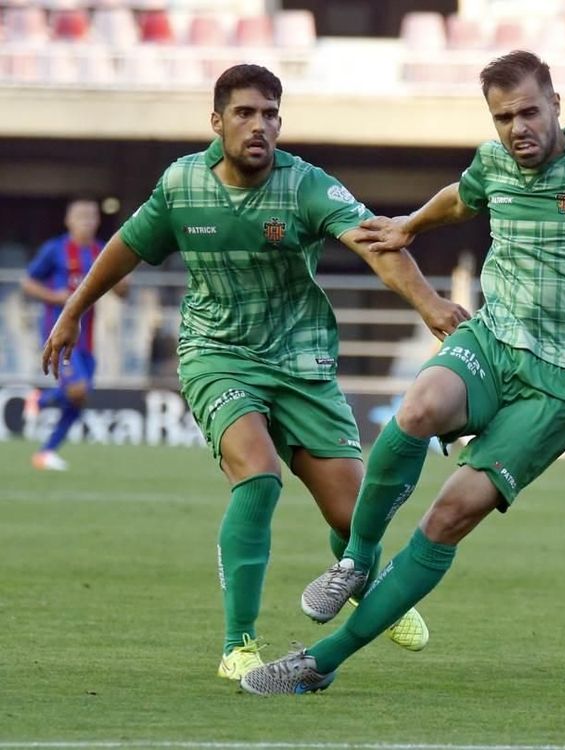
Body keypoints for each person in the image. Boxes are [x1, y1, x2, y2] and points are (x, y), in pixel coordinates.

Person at [239, 50, 565, 695]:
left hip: (561, 385)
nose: (518, 128)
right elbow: (464, 197)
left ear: (557, 107)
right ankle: (357, 559)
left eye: (530, 112)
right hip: (494, 339)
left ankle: (319, 663)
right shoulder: (492, 163)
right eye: (504, 116)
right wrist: (410, 225)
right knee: (417, 412)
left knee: (448, 517)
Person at [40, 64, 456, 683]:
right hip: (217, 353)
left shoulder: (307, 186)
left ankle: (362, 580)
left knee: (354, 515)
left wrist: (429, 305)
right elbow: (126, 246)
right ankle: (239, 645)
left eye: (270, 114)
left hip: (301, 362)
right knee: (257, 476)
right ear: (217, 121)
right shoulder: (182, 185)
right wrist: (73, 311)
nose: (259, 125)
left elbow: (377, 245)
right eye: (245, 113)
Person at [22, 198, 124, 471]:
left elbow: (123, 292)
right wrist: (53, 296)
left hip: (88, 339)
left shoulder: (102, 251)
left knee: (79, 399)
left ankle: (45, 452)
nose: (87, 221)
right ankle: (40, 400)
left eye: (92, 216)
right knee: (76, 390)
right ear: (69, 221)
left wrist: (124, 271)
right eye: (81, 216)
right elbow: (27, 282)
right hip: (59, 334)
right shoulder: (54, 250)